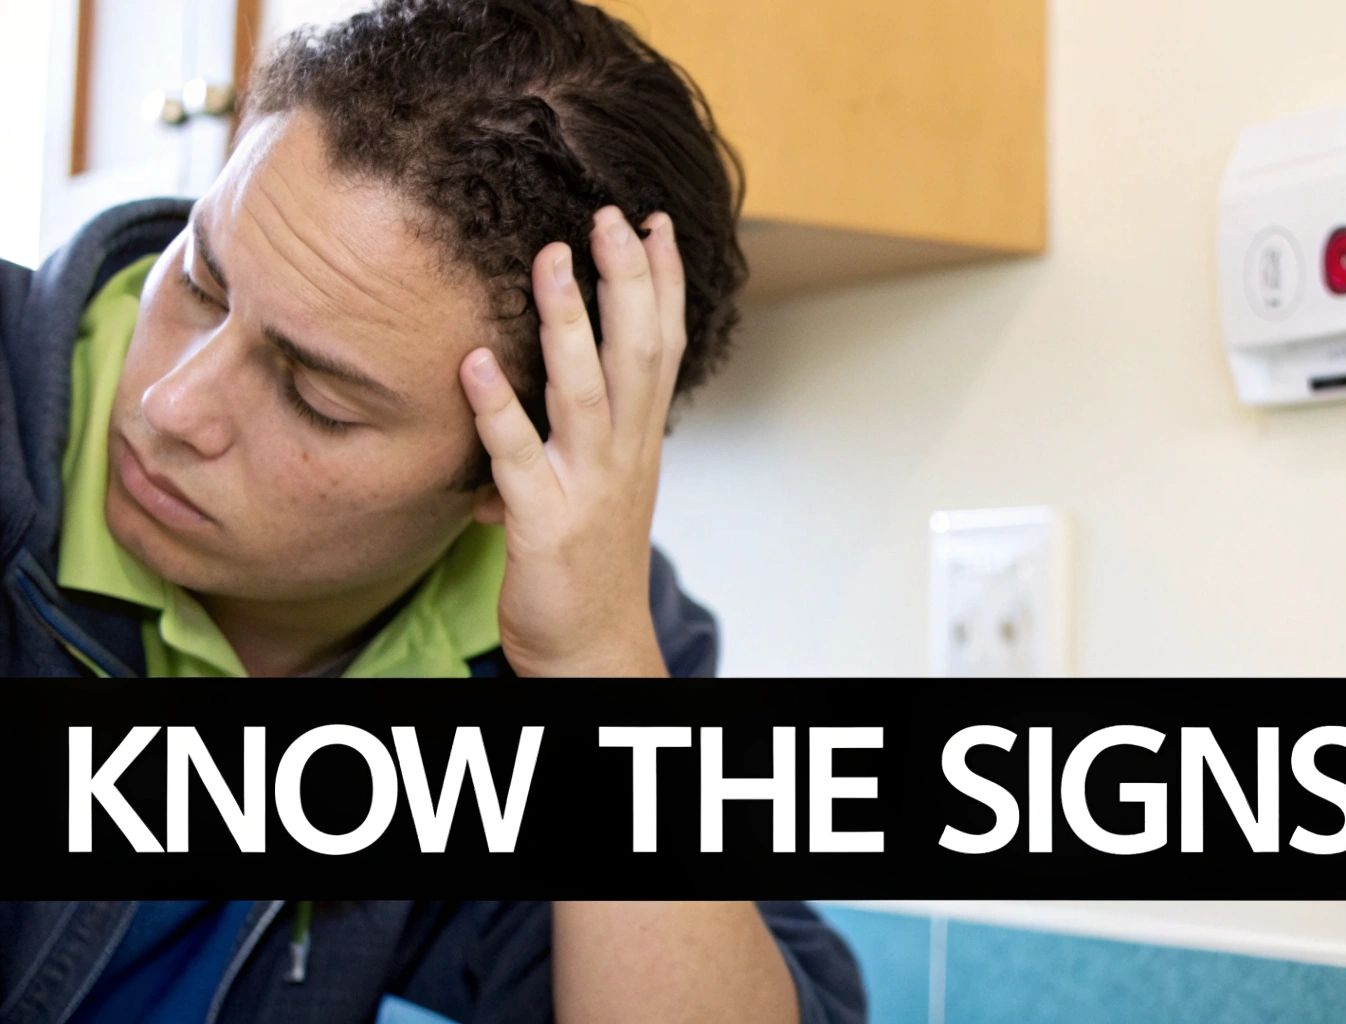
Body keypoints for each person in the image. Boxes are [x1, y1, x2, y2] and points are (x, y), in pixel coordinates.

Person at [0, 0, 863, 1020]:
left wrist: (595, 667)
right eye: (197, 278)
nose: (172, 405)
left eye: (314, 396)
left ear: (508, 477)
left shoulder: (570, 628)